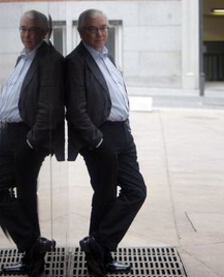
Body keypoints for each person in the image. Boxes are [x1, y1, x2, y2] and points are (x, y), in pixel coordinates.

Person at [65, 9, 147, 277]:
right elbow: (76, 111)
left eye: (103, 28)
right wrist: (97, 141)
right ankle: (100, 257)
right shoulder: (75, 62)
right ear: (81, 31)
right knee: (105, 197)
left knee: (135, 191)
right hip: (101, 138)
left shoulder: (106, 56)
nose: (99, 34)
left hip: (123, 134)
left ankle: (97, 246)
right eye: (92, 29)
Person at [0, 10, 64, 277]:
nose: (26, 35)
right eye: (22, 29)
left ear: (45, 32)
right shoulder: (23, 57)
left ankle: (32, 251)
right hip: (6, 135)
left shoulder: (50, 59)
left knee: (11, 194)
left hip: (25, 138)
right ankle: (33, 250)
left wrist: (31, 143)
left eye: (32, 30)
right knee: (6, 194)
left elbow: (50, 108)